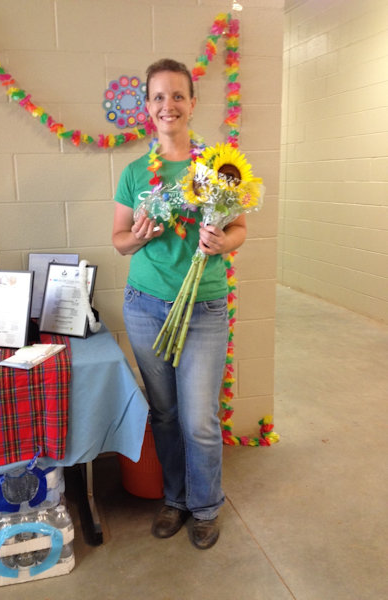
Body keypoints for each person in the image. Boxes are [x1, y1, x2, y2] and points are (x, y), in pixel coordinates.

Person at [112, 58, 247, 550]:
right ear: (147, 108)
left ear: (192, 103)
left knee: (199, 419)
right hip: (145, 305)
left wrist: (222, 242)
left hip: (203, 307)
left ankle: (205, 506)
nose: (167, 105)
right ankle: (175, 498)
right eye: (158, 97)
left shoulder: (218, 167)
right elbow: (119, 241)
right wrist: (140, 236)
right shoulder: (134, 173)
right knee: (165, 414)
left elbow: (240, 228)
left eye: (177, 95)